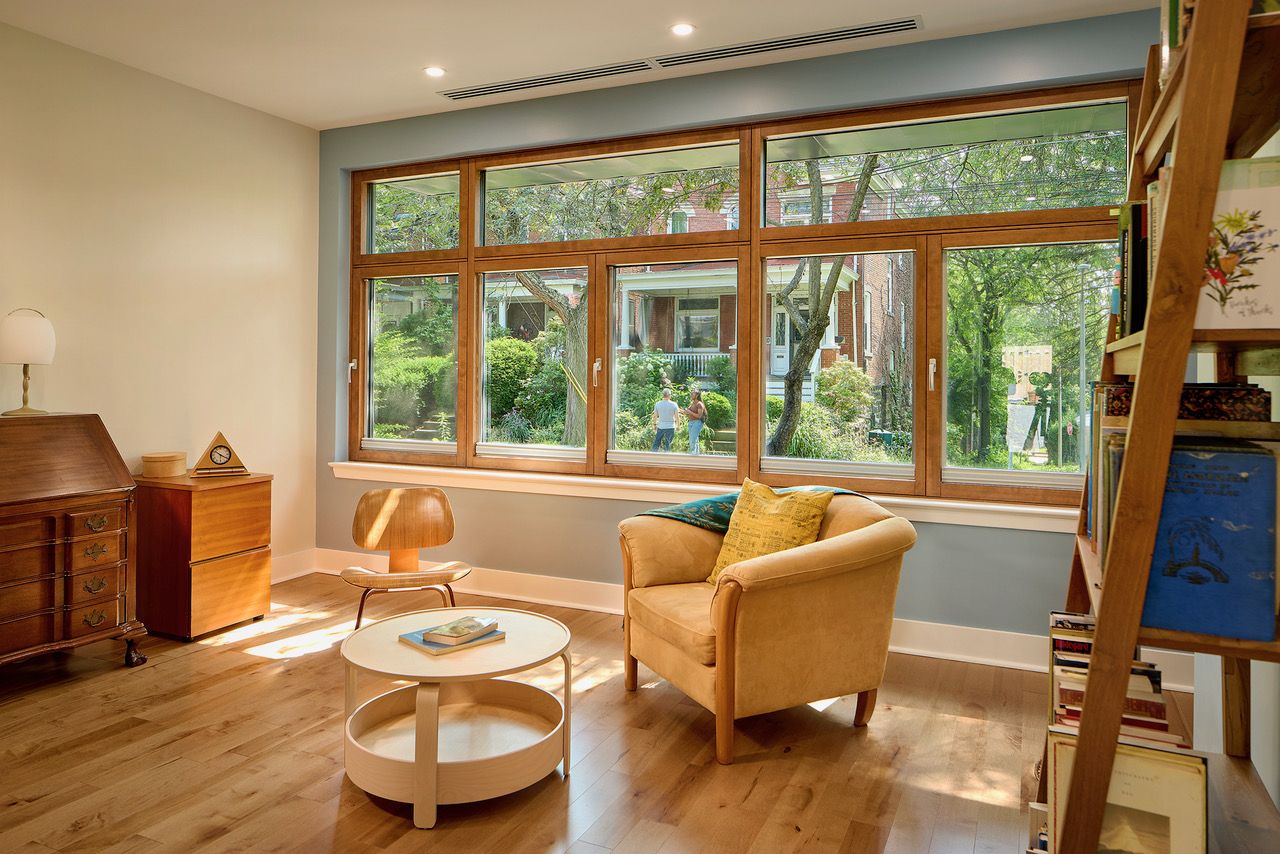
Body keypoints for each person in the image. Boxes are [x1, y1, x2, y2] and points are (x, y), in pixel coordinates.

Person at [683, 389, 707, 454]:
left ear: (697, 395)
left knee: (692, 439)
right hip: (691, 422)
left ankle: (692, 454)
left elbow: (699, 416)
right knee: (694, 439)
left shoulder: (699, 404)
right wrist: (680, 410)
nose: (691, 395)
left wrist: (689, 412)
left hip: (697, 422)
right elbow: (687, 412)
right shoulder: (692, 403)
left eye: (692, 394)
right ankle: (696, 454)